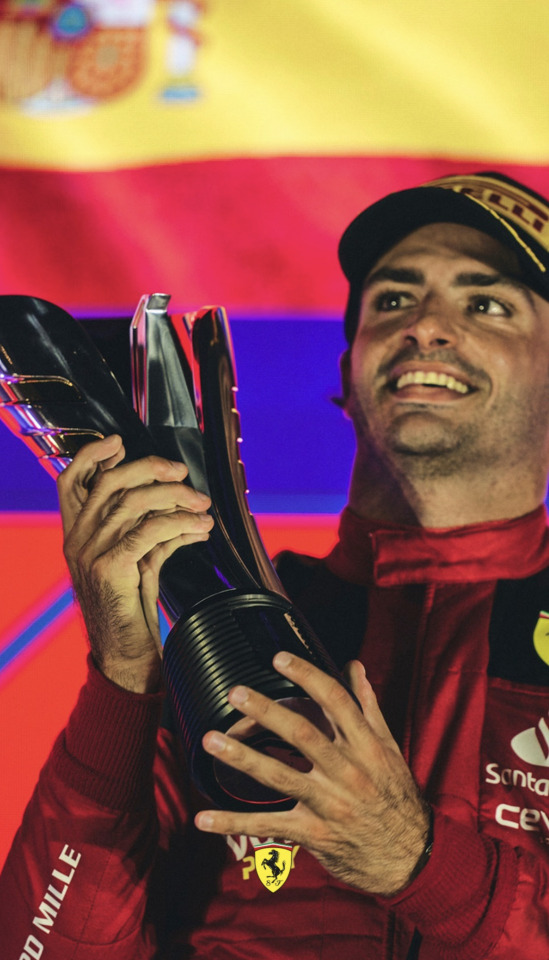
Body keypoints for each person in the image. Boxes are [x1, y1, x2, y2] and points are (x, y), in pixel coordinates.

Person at [1, 170, 549, 960]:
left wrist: (417, 864)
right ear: (347, 374)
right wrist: (123, 677)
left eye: (486, 304)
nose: (426, 325)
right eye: (394, 299)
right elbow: (42, 948)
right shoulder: (229, 620)